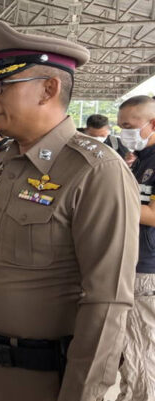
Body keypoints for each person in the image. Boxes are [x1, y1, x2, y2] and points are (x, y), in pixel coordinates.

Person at [0, 20, 139, 401]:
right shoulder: (2, 161)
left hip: (37, 378)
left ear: (49, 89)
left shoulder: (96, 172)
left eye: (1, 87)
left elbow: (106, 303)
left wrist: (82, 395)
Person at [115, 95, 155, 401]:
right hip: (133, 263)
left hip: (146, 270)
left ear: (152, 123)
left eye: (130, 126)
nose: (124, 133)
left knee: (140, 349)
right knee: (130, 348)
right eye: (120, 127)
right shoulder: (142, 158)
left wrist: (114, 199)